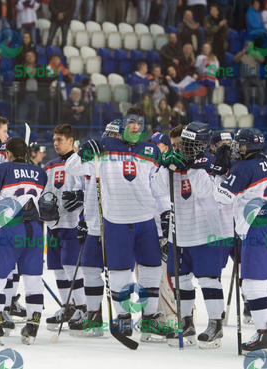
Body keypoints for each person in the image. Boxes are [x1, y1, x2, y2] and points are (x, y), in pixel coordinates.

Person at [66, 114, 167, 342]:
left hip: (139, 219)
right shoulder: (101, 151)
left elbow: (159, 187)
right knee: (104, 271)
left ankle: (148, 318)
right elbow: (72, 168)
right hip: (105, 222)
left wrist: (167, 169)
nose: (113, 138)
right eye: (110, 134)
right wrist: (82, 153)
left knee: (148, 268)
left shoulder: (145, 152)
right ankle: (108, 317)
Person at [212, 128, 267, 354]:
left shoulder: (244, 167)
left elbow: (221, 197)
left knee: (253, 285)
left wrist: (219, 173)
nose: (238, 149)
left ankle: (264, 334)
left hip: (260, 230)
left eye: (240, 145)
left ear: (247, 147)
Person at [152, 122, 231, 349]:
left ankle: (215, 325)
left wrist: (189, 166)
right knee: (181, 279)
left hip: (205, 230)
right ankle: (186, 322)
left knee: (208, 279)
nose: (181, 148)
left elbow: (206, 191)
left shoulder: (209, 163)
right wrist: (165, 166)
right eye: (178, 144)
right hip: (180, 230)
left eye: (186, 144)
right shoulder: (171, 161)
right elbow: (157, 189)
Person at [0, 136, 48, 345]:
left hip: (9, 228)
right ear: (26, 153)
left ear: (7, 152)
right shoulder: (40, 172)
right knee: (33, 278)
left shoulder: (0, 169)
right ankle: (33, 325)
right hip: (35, 229)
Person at [40, 124, 87, 331]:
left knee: (71, 266)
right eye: (54, 140)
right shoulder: (49, 165)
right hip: (52, 224)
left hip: (73, 223)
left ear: (71, 140)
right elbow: (44, 192)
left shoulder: (82, 163)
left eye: (60, 139)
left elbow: (90, 188)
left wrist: (81, 198)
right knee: (58, 268)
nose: (56, 143)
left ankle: (83, 308)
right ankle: (68, 306)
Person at [235, 41, 265, 106]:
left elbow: (262, 59)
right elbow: (235, 59)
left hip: (255, 77)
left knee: (260, 89)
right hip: (245, 77)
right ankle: (247, 109)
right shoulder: (242, 55)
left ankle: (261, 106)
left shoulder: (255, 53)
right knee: (246, 95)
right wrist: (242, 53)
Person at [204, 4, 229, 73]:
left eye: (214, 10)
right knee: (213, 63)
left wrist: (225, 26)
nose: (212, 11)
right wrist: (219, 25)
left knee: (221, 63)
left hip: (221, 44)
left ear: (218, 12)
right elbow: (209, 31)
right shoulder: (207, 19)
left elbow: (226, 33)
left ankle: (221, 79)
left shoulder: (221, 19)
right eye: (211, 9)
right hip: (212, 44)